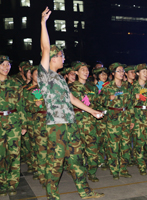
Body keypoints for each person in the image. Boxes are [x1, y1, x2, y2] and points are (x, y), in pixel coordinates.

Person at [38, 7, 104, 199]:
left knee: (76, 160)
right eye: (61, 56)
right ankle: (52, 195)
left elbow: (72, 99)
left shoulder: (60, 79)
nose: (64, 58)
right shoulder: (45, 75)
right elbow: (45, 47)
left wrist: (92, 111)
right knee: (56, 162)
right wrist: (43, 23)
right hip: (56, 126)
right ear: (53, 58)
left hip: (70, 124)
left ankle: (85, 192)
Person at [99, 62, 133, 180]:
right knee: (113, 146)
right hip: (113, 119)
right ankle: (114, 170)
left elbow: (131, 103)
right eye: (118, 71)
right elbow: (101, 102)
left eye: (122, 70)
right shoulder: (107, 87)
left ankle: (123, 169)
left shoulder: (127, 86)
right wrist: (109, 98)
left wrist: (131, 119)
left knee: (125, 145)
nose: (121, 73)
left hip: (125, 117)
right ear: (113, 73)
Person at [68, 62, 101, 182]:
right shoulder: (70, 87)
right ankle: (80, 175)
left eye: (87, 70)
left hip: (90, 122)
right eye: (83, 70)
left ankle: (92, 172)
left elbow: (97, 103)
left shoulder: (92, 87)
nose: (86, 72)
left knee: (93, 150)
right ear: (76, 72)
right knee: (78, 151)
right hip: (76, 122)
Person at [0, 55, 27, 197]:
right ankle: (2, 182)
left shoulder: (16, 84)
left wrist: (24, 124)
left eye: (8, 64)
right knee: (1, 154)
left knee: (14, 153)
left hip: (14, 121)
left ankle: (12, 183)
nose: (6, 67)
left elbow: (21, 105)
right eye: (3, 64)